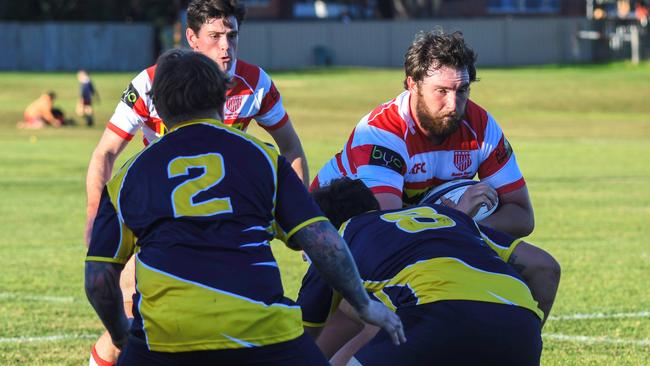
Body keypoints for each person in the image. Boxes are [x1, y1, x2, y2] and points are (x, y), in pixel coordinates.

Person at [84, 49, 405, 366]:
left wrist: (121, 335)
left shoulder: (128, 177)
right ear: (221, 100)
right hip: (262, 335)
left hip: (166, 340)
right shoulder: (262, 157)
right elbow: (323, 241)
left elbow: (99, 279)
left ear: (161, 107)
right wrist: (363, 304)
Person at [85, 1, 309, 363]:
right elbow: (105, 153)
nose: (226, 46)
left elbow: (290, 147)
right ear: (192, 38)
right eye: (215, 36)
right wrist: (95, 219)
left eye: (232, 35)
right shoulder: (150, 83)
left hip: (227, 219)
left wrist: (300, 217)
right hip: (162, 213)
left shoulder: (254, 82)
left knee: (231, 313)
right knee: (130, 311)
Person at [301, 177, 553, 365]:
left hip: (435, 319)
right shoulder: (448, 217)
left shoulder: (341, 235)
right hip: (520, 333)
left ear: (325, 227)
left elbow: (303, 337)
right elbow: (544, 267)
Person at [311, 30, 534, 238]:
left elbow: (523, 216)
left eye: (462, 90)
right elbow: (387, 232)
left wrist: (463, 227)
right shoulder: (382, 132)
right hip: (337, 237)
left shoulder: (480, 126)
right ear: (413, 84)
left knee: (542, 267)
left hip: (425, 232)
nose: (453, 105)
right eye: (441, 91)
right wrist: (458, 218)